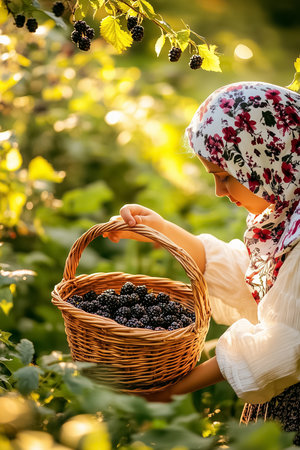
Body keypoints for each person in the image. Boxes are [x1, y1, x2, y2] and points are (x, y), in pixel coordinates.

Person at [103, 81, 300, 444]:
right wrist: (162, 230)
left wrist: (165, 392)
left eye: (225, 176)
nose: (219, 191)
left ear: (266, 159)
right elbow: (260, 288)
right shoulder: (286, 218)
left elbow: (285, 344)